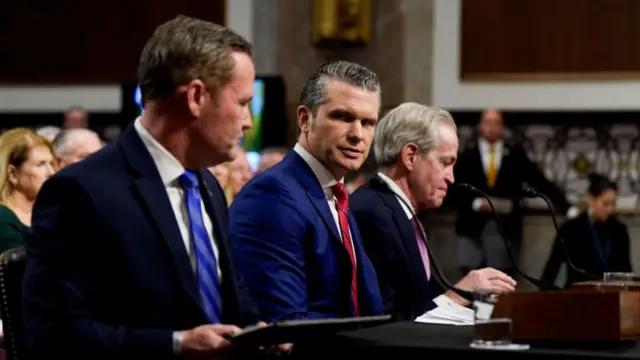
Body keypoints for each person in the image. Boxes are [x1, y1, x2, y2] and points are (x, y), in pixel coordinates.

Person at [22, 15, 283, 359]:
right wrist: (177, 344)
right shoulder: (79, 192)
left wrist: (256, 330)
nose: (248, 121)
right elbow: (53, 335)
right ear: (196, 97)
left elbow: (229, 291)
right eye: (242, 102)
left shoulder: (206, 182)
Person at [229, 60, 384, 321]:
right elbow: (286, 326)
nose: (358, 134)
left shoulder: (335, 194)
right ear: (304, 119)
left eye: (368, 122)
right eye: (343, 117)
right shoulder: (271, 196)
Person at [351, 103, 516, 320]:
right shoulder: (371, 213)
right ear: (410, 157)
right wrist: (463, 291)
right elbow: (385, 320)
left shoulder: (398, 210)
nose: (451, 177)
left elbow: (428, 299)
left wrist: (486, 312)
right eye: (445, 163)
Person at [446, 109, 574, 278]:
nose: (491, 127)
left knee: (500, 281)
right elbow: (453, 188)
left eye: (496, 123)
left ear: (502, 127)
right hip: (471, 229)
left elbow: (539, 180)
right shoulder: (466, 156)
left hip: (504, 229)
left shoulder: (515, 155)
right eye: (487, 123)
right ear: (480, 127)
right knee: (470, 281)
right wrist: (474, 203)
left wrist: (566, 206)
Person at [541, 173, 632, 288]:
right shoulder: (570, 229)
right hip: (577, 297)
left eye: (613, 204)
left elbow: (626, 272)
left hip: (612, 296)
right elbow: (550, 272)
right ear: (591, 199)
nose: (610, 209)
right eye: (605, 204)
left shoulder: (619, 230)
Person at [0, 129, 56, 253]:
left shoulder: (54, 212)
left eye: (51, 163)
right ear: (13, 173)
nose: (51, 172)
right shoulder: (3, 218)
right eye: (40, 164)